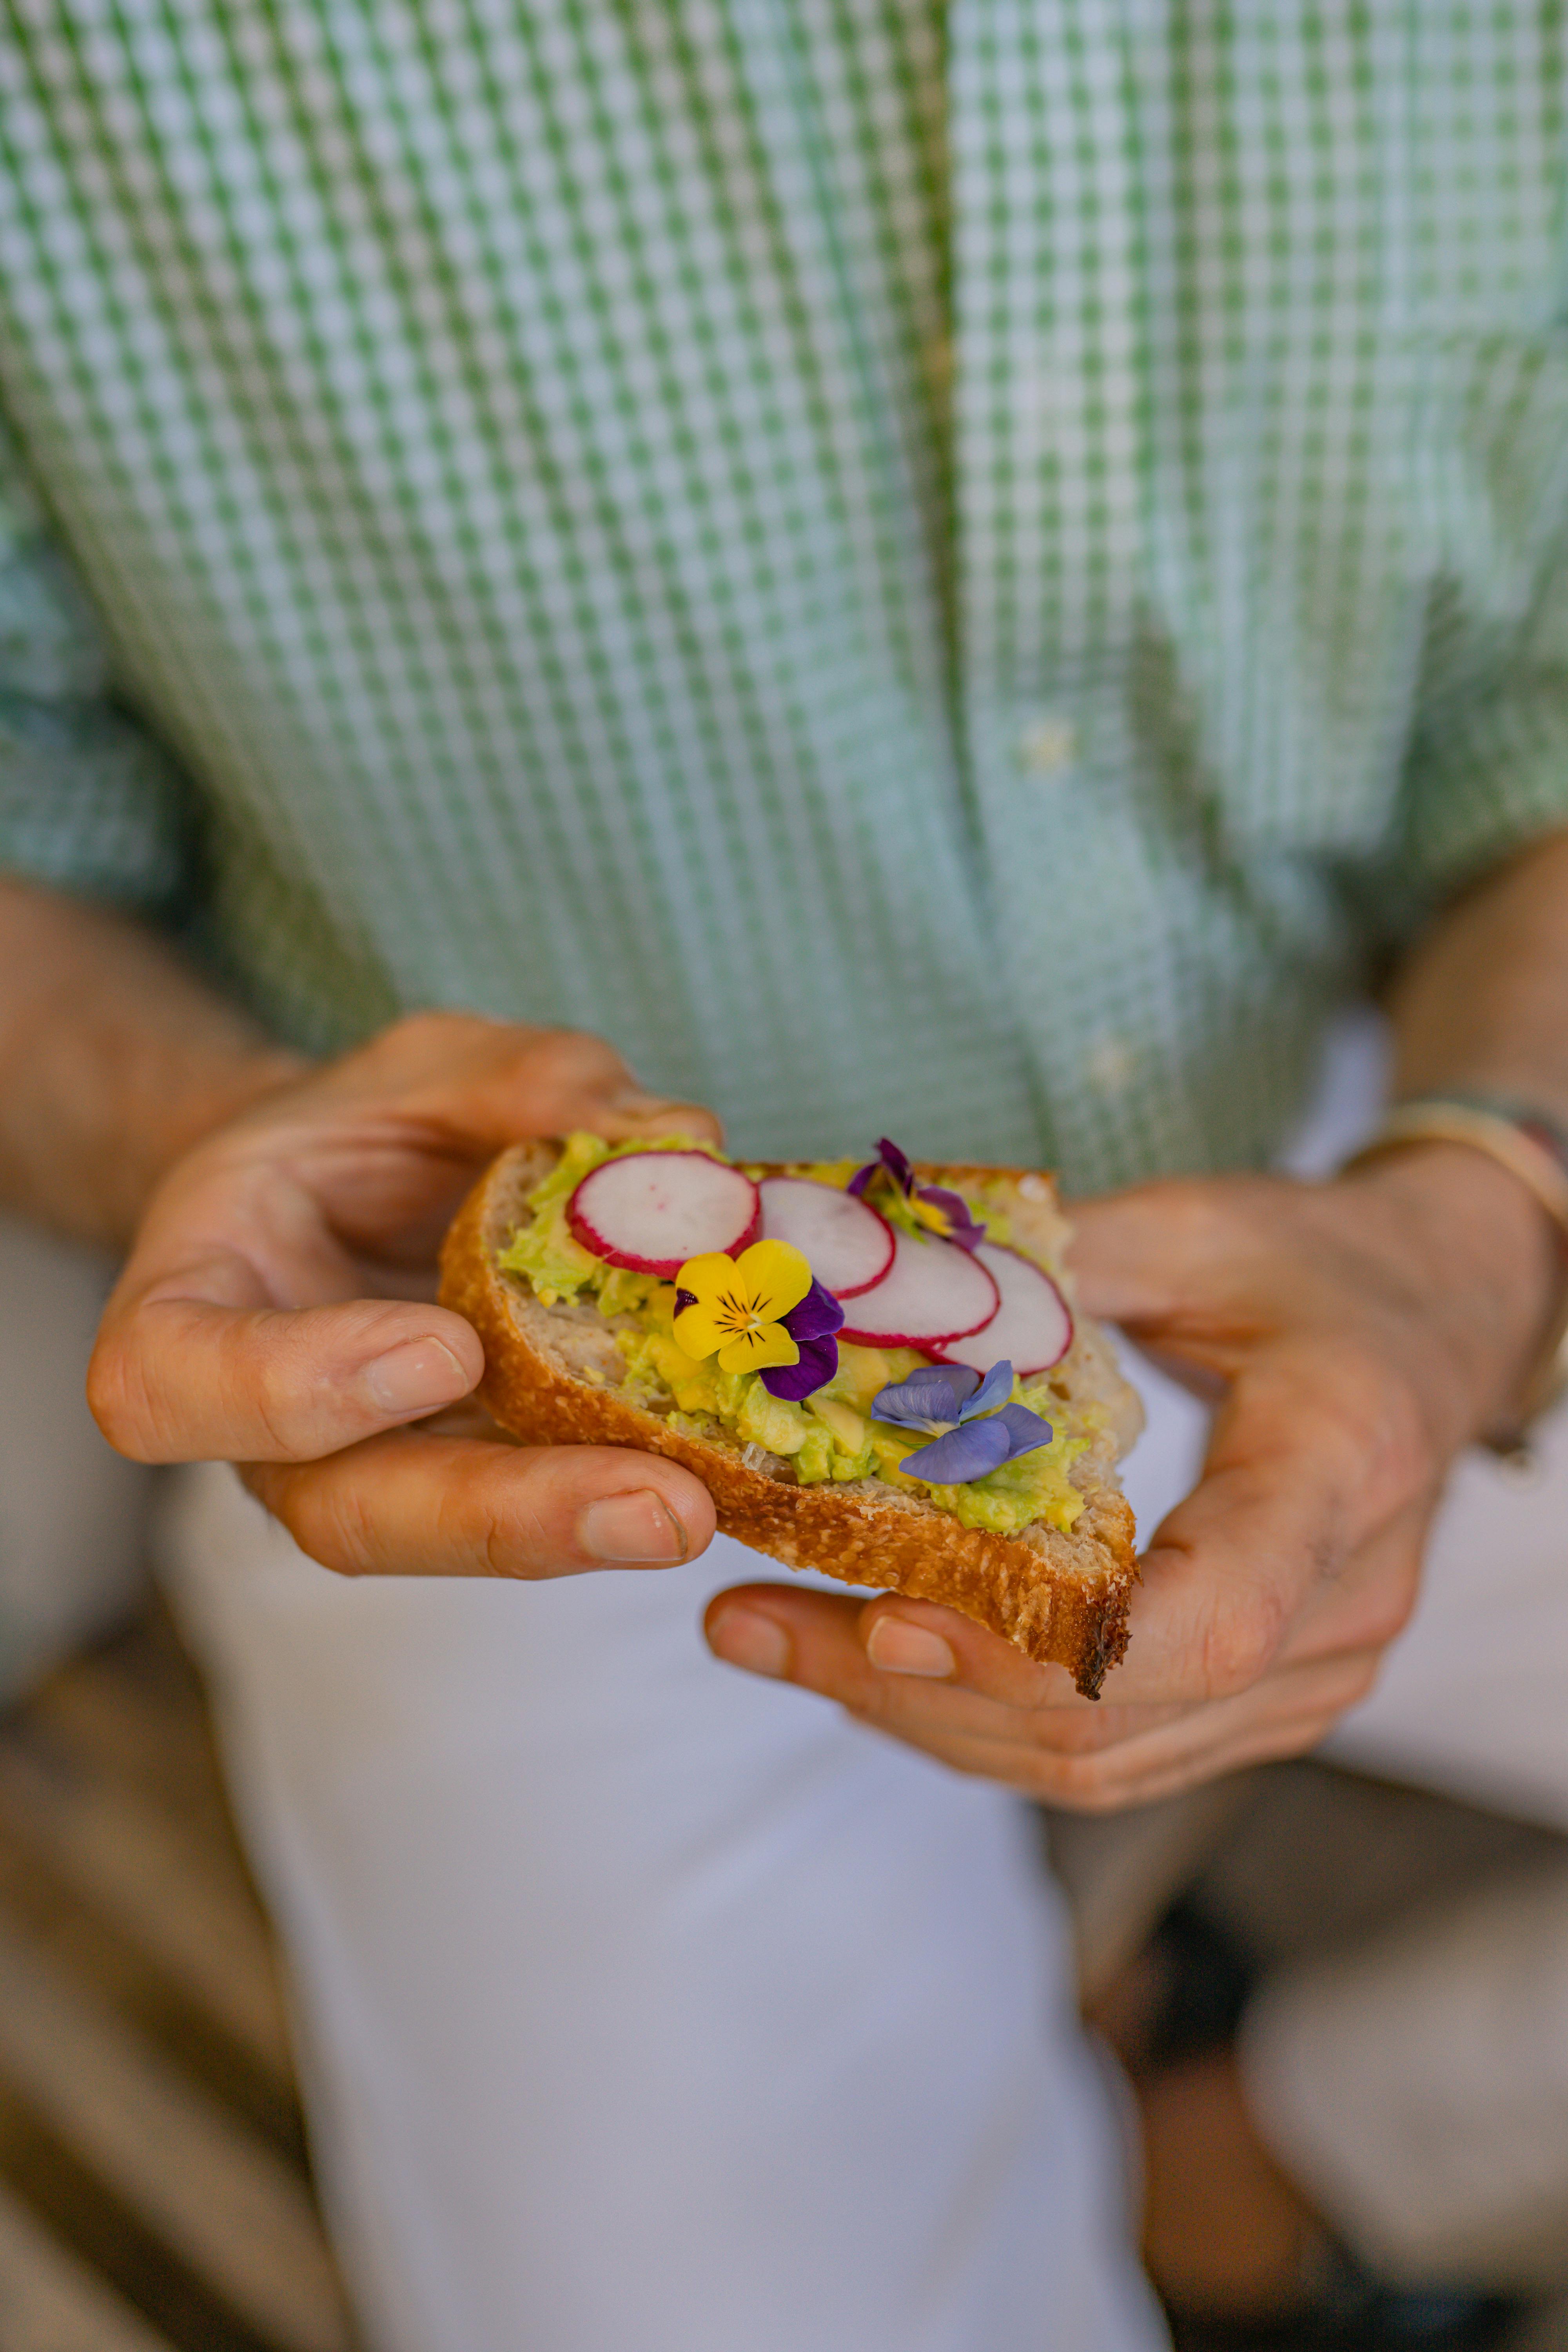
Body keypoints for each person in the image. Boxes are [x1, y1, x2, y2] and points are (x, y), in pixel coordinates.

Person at [3, 10, 1568, 2347]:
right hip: (501, 1402)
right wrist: (213, 1147)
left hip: (1432, 1121)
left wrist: (1491, 1199)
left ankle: (1298, 2145)